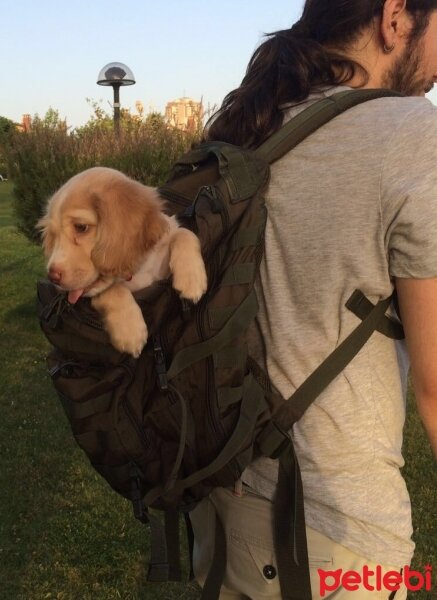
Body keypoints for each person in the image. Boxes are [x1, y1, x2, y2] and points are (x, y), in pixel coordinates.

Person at [189, 0, 437, 598]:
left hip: (222, 505)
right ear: (396, 16)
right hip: (333, 539)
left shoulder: (250, 125)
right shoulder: (411, 132)